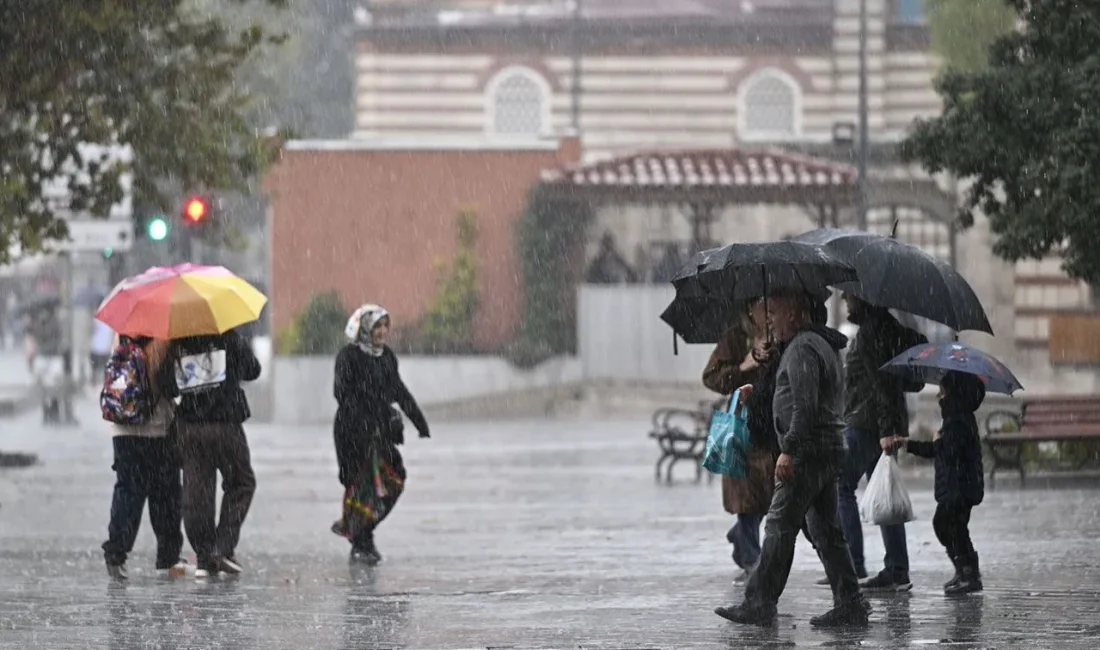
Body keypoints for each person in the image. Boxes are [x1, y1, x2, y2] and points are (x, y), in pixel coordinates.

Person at [715, 290, 870, 629]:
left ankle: (760, 602)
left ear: (797, 313)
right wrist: (760, 393)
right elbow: (798, 397)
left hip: (808, 452)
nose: (769, 318)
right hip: (825, 448)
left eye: (775, 311)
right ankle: (850, 602)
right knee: (825, 530)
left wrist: (789, 449)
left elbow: (805, 406)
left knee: (779, 524)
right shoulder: (815, 344)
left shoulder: (802, 348)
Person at [837, 292, 927, 592]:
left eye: (849, 295)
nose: (844, 299)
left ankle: (852, 563)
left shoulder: (871, 332)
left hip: (867, 424)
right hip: (878, 424)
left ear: (863, 298)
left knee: (841, 484)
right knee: (885, 493)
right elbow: (895, 382)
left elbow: (881, 383)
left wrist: (885, 429)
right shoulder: (889, 327)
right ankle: (897, 569)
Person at [331, 304, 430, 564]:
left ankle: (361, 531)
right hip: (352, 432)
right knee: (359, 485)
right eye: (377, 326)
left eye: (386, 325)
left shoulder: (386, 358)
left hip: (380, 433)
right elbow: (342, 394)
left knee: (393, 481)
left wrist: (418, 421)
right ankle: (360, 542)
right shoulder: (347, 357)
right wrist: (370, 414)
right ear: (363, 328)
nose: (382, 331)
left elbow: (398, 389)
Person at [165, 328, 261, 579]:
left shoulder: (179, 341)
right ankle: (222, 547)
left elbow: (167, 385)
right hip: (225, 424)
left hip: (190, 428)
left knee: (197, 491)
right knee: (241, 482)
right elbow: (253, 370)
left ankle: (205, 557)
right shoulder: (228, 336)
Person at [886, 371, 986, 596]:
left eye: (943, 392)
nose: (939, 397)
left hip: (960, 488)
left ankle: (968, 573)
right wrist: (909, 444)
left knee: (949, 527)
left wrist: (938, 441)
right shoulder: (954, 419)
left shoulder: (959, 421)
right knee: (952, 527)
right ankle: (965, 572)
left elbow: (948, 451)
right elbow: (938, 451)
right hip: (957, 487)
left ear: (954, 395)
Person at [101, 335, 187, 581]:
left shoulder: (120, 334)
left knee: (128, 492)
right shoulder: (163, 339)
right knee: (166, 494)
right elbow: (172, 386)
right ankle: (168, 558)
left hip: (123, 428)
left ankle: (116, 554)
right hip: (156, 429)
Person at [702, 309, 778, 584]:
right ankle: (751, 560)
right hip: (741, 424)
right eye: (763, 308)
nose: (769, 315)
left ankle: (741, 535)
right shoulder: (735, 337)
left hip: (771, 423)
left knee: (768, 493)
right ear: (749, 309)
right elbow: (711, 377)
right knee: (745, 494)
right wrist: (744, 367)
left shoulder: (782, 334)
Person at [89, 319, 114, 386]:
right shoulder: (96, 320)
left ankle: (101, 384)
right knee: (96, 371)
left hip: (103, 349)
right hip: (97, 349)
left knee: (103, 371)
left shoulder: (109, 321)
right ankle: (95, 384)